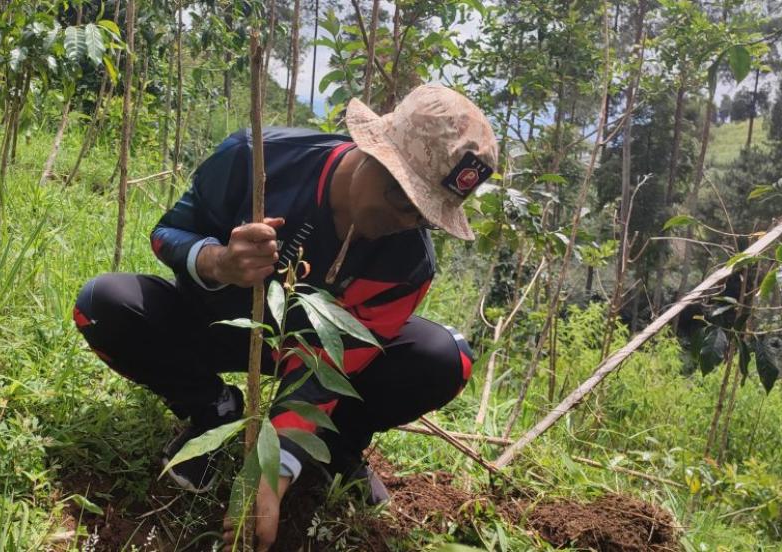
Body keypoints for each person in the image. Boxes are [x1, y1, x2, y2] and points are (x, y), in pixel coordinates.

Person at [72, 83, 498, 550]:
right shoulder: (258, 157)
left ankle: (335, 448)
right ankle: (213, 411)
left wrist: (274, 471)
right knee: (103, 304)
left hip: (308, 356)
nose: (405, 223)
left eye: (425, 217)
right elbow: (167, 232)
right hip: (217, 322)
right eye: (403, 202)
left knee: (444, 357)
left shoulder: (409, 264)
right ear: (376, 152)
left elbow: (333, 362)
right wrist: (217, 262)